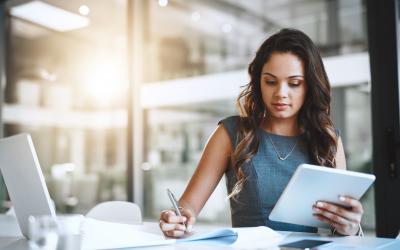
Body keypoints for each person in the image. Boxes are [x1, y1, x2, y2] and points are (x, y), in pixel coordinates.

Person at [159, 28, 364, 238]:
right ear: (259, 82)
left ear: (309, 86)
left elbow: (340, 229)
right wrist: (176, 218)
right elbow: (187, 207)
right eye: (271, 81)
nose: (281, 93)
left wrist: (351, 227)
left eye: (294, 83)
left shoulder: (327, 139)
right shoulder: (231, 133)